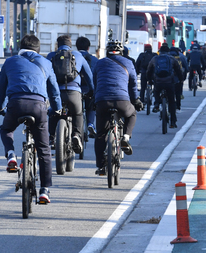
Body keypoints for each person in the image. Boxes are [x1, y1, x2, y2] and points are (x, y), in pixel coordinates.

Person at [0, 35, 61, 204]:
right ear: (38, 49)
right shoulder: (46, 63)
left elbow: (1, 87)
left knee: (6, 129)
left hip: (16, 103)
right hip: (39, 107)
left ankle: (11, 155)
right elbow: (53, 90)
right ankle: (44, 190)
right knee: (44, 149)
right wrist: (58, 108)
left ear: (20, 47)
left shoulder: (10, 61)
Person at [93, 41, 143, 175]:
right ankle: (126, 137)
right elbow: (133, 85)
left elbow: (96, 82)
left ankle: (101, 166)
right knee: (131, 114)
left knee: (101, 134)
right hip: (122, 101)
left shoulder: (99, 63)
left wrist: (94, 99)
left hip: (102, 101)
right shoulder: (128, 63)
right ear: (122, 52)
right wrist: (136, 100)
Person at [46, 35, 94, 154]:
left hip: (56, 93)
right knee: (78, 113)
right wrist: (92, 91)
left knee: (53, 113)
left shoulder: (51, 56)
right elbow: (89, 77)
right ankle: (77, 135)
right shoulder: (78, 56)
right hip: (74, 93)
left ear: (58, 45)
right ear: (70, 45)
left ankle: (52, 138)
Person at [148, 43, 184, 128]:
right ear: (168, 52)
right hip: (169, 82)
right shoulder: (172, 59)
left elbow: (149, 70)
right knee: (172, 102)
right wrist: (181, 79)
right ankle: (173, 122)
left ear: (160, 51)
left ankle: (156, 104)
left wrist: (150, 80)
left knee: (156, 91)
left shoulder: (155, 59)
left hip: (158, 81)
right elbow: (178, 70)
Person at [76, 36, 98, 138]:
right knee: (91, 106)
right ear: (88, 47)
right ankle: (90, 124)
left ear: (76, 47)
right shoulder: (95, 60)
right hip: (89, 88)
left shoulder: (73, 57)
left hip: (76, 89)